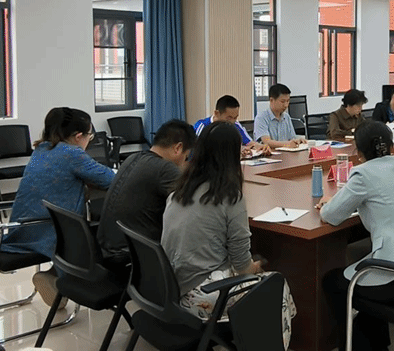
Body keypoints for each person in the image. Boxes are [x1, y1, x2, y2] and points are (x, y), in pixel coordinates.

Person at [161, 122, 296, 348]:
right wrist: (256, 266)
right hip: (201, 295)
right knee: (276, 283)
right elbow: (242, 267)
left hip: (172, 289)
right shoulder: (229, 196)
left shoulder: (179, 190)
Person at [317, 121, 394, 351]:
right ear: (391, 146)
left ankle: (353, 346)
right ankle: (377, 343)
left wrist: (328, 203)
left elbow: (331, 216)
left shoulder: (362, 174)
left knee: (333, 281)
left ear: (359, 153)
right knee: (366, 265)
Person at [1, 107, 115, 307]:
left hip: (23, 228)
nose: (90, 140)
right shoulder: (71, 153)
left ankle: (54, 278)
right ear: (78, 137)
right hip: (48, 230)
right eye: (90, 136)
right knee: (101, 236)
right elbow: (110, 179)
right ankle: (66, 282)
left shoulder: (41, 149)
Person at [97, 119, 196, 275]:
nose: (184, 162)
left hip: (107, 250)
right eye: (186, 157)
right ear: (178, 148)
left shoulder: (133, 158)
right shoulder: (165, 168)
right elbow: (193, 206)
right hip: (129, 258)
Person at [194, 94, 270, 156]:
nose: (232, 121)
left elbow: (250, 143)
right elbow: (197, 152)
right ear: (217, 113)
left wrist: (261, 147)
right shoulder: (203, 126)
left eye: (235, 117)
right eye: (229, 118)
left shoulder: (236, 125)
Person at [254, 83, 306, 150]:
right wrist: (287, 144)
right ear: (271, 100)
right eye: (282, 101)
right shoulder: (261, 118)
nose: (286, 105)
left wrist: (298, 140)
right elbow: (267, 142)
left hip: (286, 154)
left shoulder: (286, 117)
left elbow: (292, 138)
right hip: (269, 154)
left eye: (288, 101)